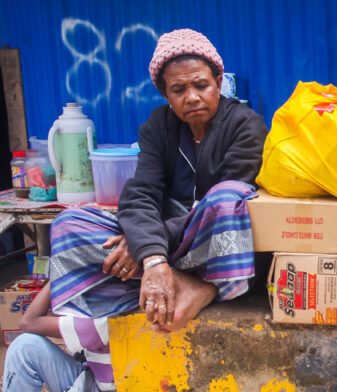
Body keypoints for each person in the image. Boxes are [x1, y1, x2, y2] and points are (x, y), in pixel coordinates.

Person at [48, 28, 267, 333]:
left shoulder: (246, 125)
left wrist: (146, 245)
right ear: (166, 94)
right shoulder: (157, 126)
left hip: (213, 246)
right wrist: (151, 256)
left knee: (228, 197)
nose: (192, 97)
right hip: (169, 249)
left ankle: (205, 286)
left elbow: (225, 206)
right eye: (179, 90)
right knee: (68, 224)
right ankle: (175, 281)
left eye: (201, 85)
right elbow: (140, 194)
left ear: (218, 84)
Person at [3, 282, 112, 391]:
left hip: (101, 387)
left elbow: (27, 323)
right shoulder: (119, 306)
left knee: (23, 348)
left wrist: (59, 277)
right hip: (98, 376)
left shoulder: (103, 321)